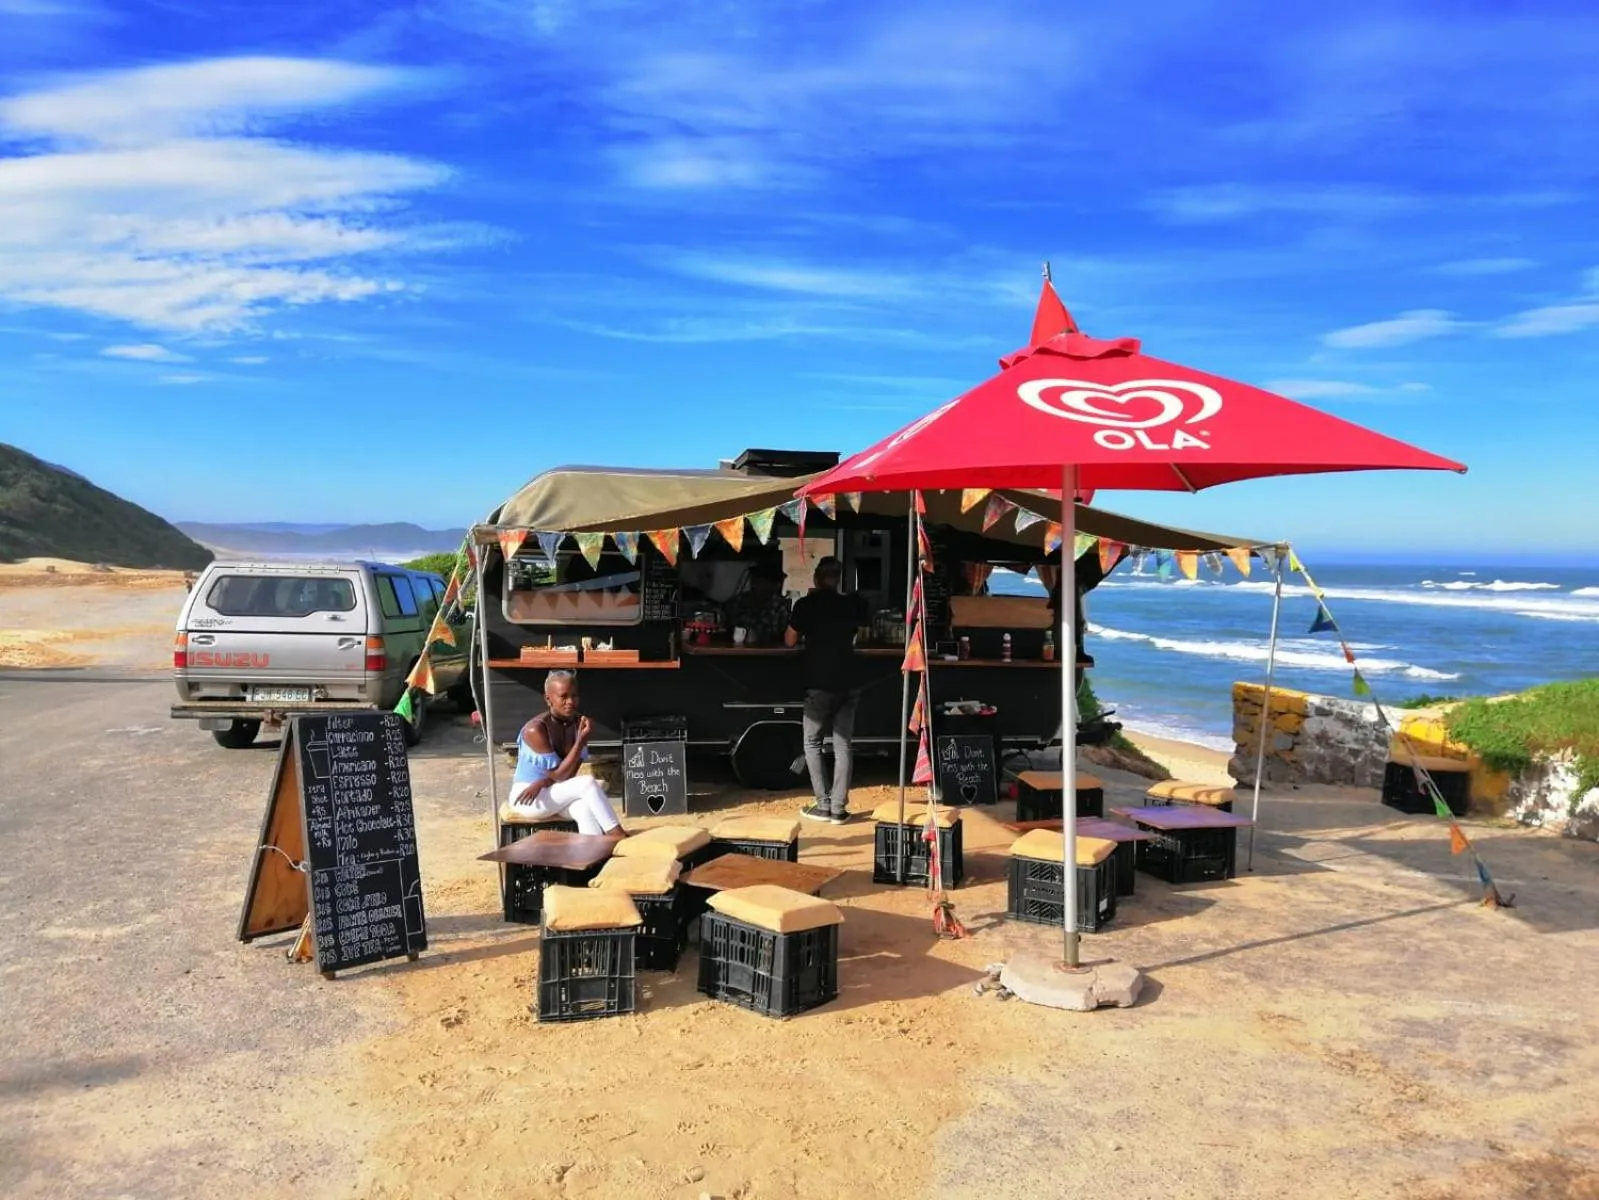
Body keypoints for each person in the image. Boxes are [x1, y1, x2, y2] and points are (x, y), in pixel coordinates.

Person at [785, 556, 869, 824]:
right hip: (850, 680)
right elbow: (865, 635)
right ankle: (838, 809)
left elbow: (789, 640)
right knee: (843, 744)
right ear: (840, 579)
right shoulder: (851, 604)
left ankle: (823, 805)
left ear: (816, 579)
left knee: (812, 742)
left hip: (819, 682)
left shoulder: (805, 605)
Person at [506, 670, 626, 837]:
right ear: (548, 699)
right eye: (563, 697)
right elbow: (562, 776)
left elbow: (568, 775)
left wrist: (543, 782)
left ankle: (591, 857)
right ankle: (616, 833)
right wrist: (581, 741)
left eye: (575, 696)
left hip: (550, 790)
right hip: (528, 798)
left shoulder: (577, 723)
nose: (570, 702)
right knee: (588, 782)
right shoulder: (536, 729)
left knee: (584, 808)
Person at [723, 563, 792, 646]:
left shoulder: (781, 606)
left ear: (775, 586)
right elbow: (727, 628)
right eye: (754, 580)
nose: (755, 585)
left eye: (761, 582)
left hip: (772, 653)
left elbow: (786, 635)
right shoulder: (738, 601)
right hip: (738, 652)